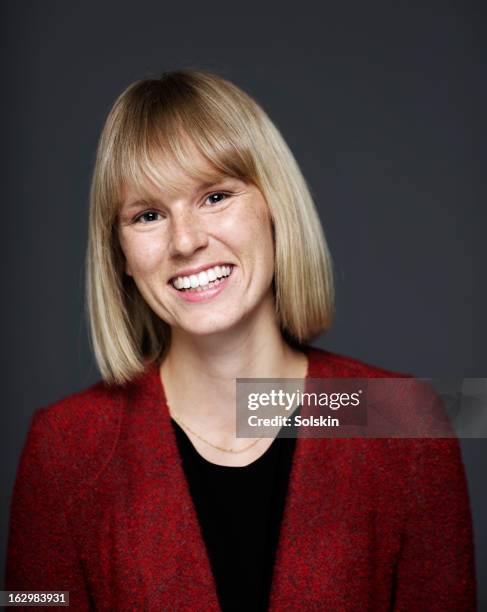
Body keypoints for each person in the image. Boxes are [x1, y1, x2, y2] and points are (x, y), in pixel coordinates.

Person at [5, 70, 476, 611]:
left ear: (275, 208)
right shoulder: (65, 447)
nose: (185, 241)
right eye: (149, 215)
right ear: (121, 257)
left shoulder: (403, 418)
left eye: (215, 196)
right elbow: (28, 602)